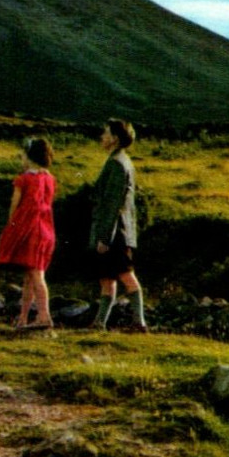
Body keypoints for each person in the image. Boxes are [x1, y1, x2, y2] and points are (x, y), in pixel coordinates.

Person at [88, 118, 147, 332]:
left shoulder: (116, 164)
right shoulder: (122, 161)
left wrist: (104, 237)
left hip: (116, 233)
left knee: (124, 274)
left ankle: (139, 322)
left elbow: (112, 204)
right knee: (107, 277)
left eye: (105, 133)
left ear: (114, 138)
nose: (102, 137)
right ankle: (99, 323)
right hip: (119, 230)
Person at [0, 137, 57, 330]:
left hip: (29, 229)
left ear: (29, 156)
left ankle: (44, 316)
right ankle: (23, 317)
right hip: (46, 229)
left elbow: (14, 205)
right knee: (31, 276)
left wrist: (11, 226)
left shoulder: (24, 179)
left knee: (36, 275)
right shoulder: (49, 179)